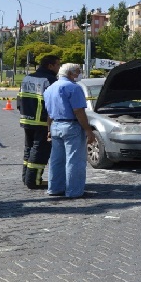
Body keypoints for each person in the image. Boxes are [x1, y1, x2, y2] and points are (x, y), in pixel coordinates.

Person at [43, 63, 95, 198]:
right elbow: (79, 111)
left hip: (56, 126)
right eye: (77, 72)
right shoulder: (73, 88)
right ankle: (74, 191)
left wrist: (49, 128)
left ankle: (55, 188)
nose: (79, 74)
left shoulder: (49, 89)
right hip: (71, 126)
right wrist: (88, 130)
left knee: (56, 160)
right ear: (71, 73)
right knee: (75, 160)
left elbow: (49, 113)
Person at [18, 54, 61, 189]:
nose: (59, 68)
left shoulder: (27, 78)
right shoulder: (50, 79)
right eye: (57, 65)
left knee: (29, 148)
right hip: (41, 121)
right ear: (50, 66)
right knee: (40, 151)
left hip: (26, 119)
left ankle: (26, 177)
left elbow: (19, 99)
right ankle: (34, 180)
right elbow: (54, 102)